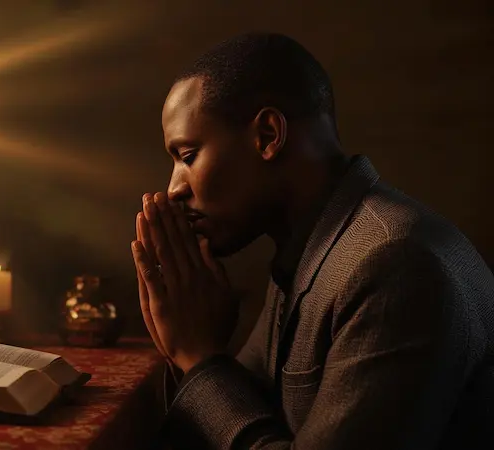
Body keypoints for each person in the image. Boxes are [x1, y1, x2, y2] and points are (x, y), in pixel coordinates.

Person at [131, 32, 494, 450]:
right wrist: (191, 341)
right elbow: (247, 406)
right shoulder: (310, 248)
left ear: (268, 135)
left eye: (188, 155)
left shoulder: (395, 264)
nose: (174, 188)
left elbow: (213, 380)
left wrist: (199, 357)